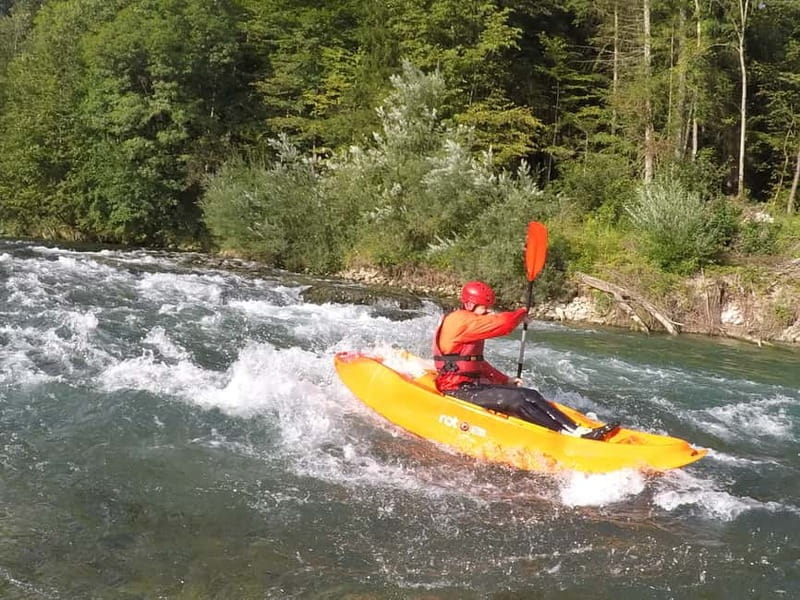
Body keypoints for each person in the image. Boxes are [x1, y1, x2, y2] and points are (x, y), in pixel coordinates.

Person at [432, 280, 619, 440]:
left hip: (471, 385)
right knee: (516, 399)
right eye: (484, 308)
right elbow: (504, 325)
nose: (488, 312)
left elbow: (477, 363)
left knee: (529, 394)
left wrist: (504, 379)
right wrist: (522, 313)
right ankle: (565, 435)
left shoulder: (471, 322)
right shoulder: (460, 320)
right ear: (470, 305)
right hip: (455, 389)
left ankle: (577, 430)